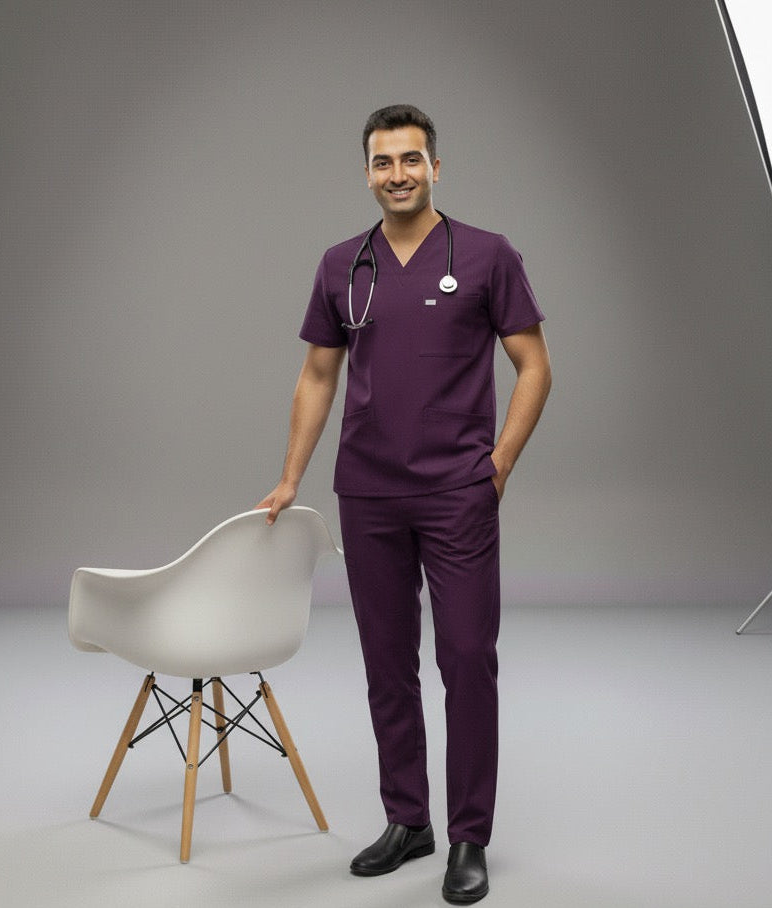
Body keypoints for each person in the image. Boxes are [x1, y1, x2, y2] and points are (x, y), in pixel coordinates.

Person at [256, 104, 551, 905]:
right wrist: (290, 477)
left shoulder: (487, 257)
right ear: (366, 173)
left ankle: (467, 836)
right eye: (383, 163)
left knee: (464, 660)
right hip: (369, 495)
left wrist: (498, 466)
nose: (397, 175)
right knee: (387, 669)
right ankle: (407, 820)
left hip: (457, 494)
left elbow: (533, 367)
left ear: (435, 168)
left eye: (411, 160)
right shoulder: (341, 265)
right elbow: (318, 376)